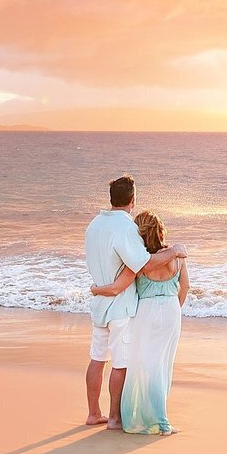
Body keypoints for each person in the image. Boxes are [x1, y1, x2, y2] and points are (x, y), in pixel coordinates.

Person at [84, 175, 186, 429]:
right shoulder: (126, 227)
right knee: (120, 363)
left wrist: (97, 289)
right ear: (133, 199)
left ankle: (93, 413)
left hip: (99, 305)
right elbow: (144, 263)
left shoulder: (93, 225)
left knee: (97, 358)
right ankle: (115, 418)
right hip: (121, 306)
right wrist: (174, 251)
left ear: (111, 198)